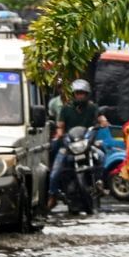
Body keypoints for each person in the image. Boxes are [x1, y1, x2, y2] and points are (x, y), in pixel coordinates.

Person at [48, 78, 104, 209]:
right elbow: (60, 126)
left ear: (87, 94)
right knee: (55, 170)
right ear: (73, 94)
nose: (80, 95)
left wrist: (103, 123)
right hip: (69, 145)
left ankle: (100, 181)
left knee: (102, 156)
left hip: (87, 143)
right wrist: (59, 134)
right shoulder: (66, 108)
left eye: (82, 93)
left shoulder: (93, 108)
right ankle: (52, 195)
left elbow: (101, 119)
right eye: (77, 93)